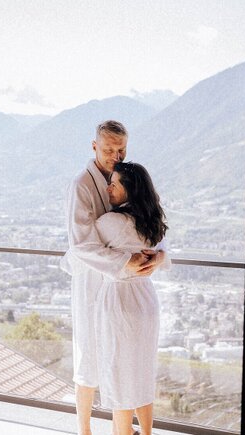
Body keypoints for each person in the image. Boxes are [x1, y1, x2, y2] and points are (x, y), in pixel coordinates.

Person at [62, 120, 165, 435]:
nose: (116, 156)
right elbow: (80, 244)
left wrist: (160, 257)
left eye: (121, 149)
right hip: (92, 281)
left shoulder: (130, 178)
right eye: (109, 149)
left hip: (124, 287)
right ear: (94, 146)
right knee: (89, 357)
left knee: (124, 363)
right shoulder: (81, 185)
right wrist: (126, 261)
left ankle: (122, 430)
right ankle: (84, 430)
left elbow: (153, 224)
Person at [96, 161, 169, 435]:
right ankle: (146, 432)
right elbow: (163, 254)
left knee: (120, 375)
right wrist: (159, 257)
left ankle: (123, 433)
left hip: (120, 299)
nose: (109, 188)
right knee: (141, 372)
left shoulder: (110, 223)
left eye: (114, 184)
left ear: (129, 190)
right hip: (146, 299)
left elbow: (81, 250)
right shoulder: (153, 221)